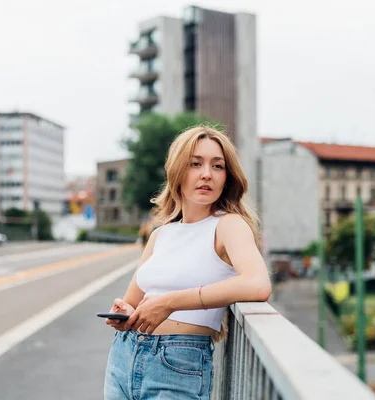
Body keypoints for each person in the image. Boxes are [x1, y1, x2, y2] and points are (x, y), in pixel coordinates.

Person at [103, 126, 272, 400]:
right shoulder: (160, 234)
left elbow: (258, 284)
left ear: (227, 177)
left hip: (179, 363)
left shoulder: (228, 225)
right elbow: (133, 303)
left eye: (217, 166)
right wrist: (124, 313)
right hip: (124, 355)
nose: (207, 173)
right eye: (196, 164)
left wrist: (171, 302)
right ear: (178, 171)